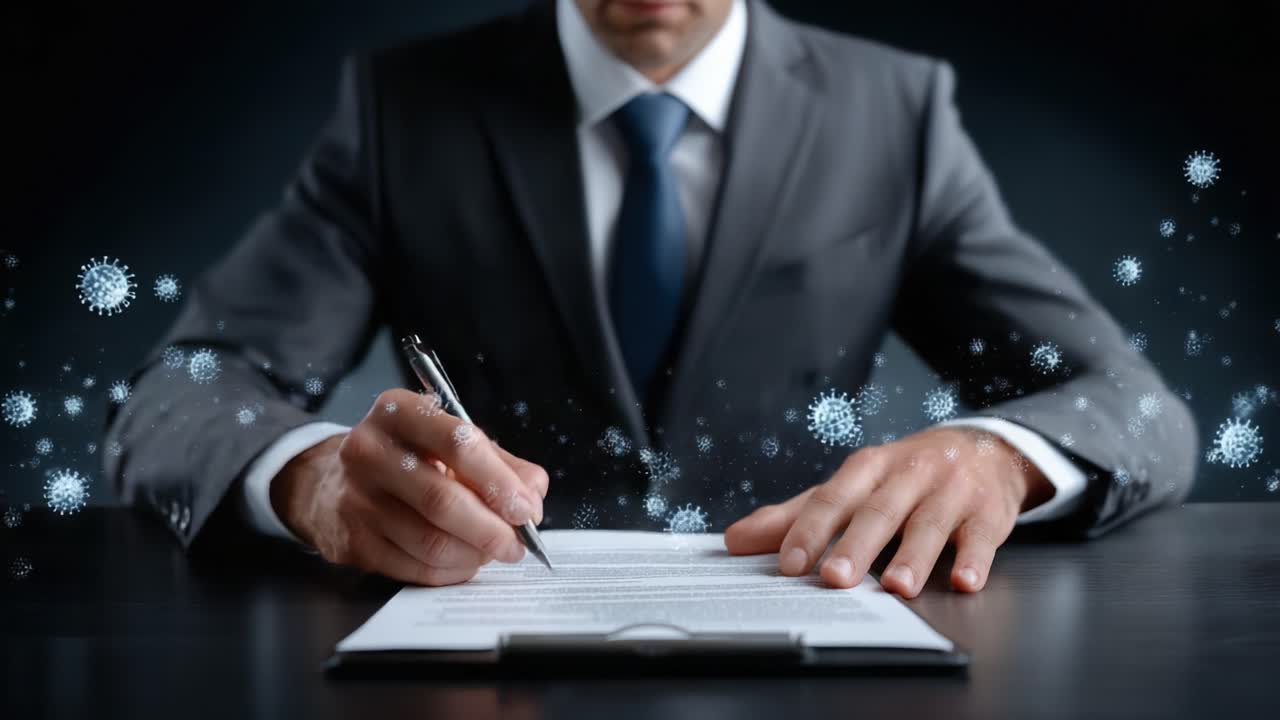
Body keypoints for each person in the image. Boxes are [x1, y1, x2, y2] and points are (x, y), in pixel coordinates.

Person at [105, 0, 1197, 598]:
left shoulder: (894, 114)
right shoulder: (404, 111)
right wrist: (310, 479)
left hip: (811, 660)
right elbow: (179, 396)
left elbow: (1134, 405)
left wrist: (996, 455)